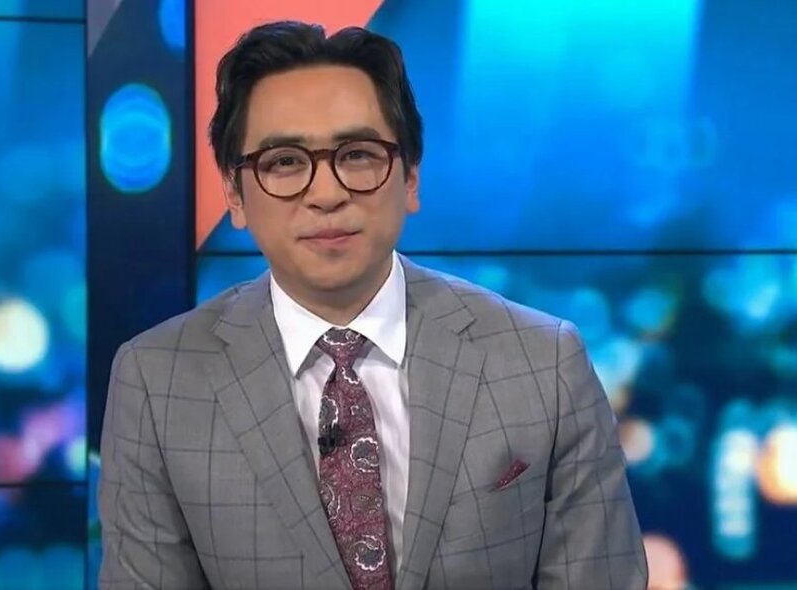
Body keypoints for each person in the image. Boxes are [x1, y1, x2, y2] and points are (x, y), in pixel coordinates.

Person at [98, 20, 648, 589]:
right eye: (284, 162)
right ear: (234, 193)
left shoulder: (543, 361)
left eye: (358, 154)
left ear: (410, 177)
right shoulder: (156, 382)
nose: (327, 192)